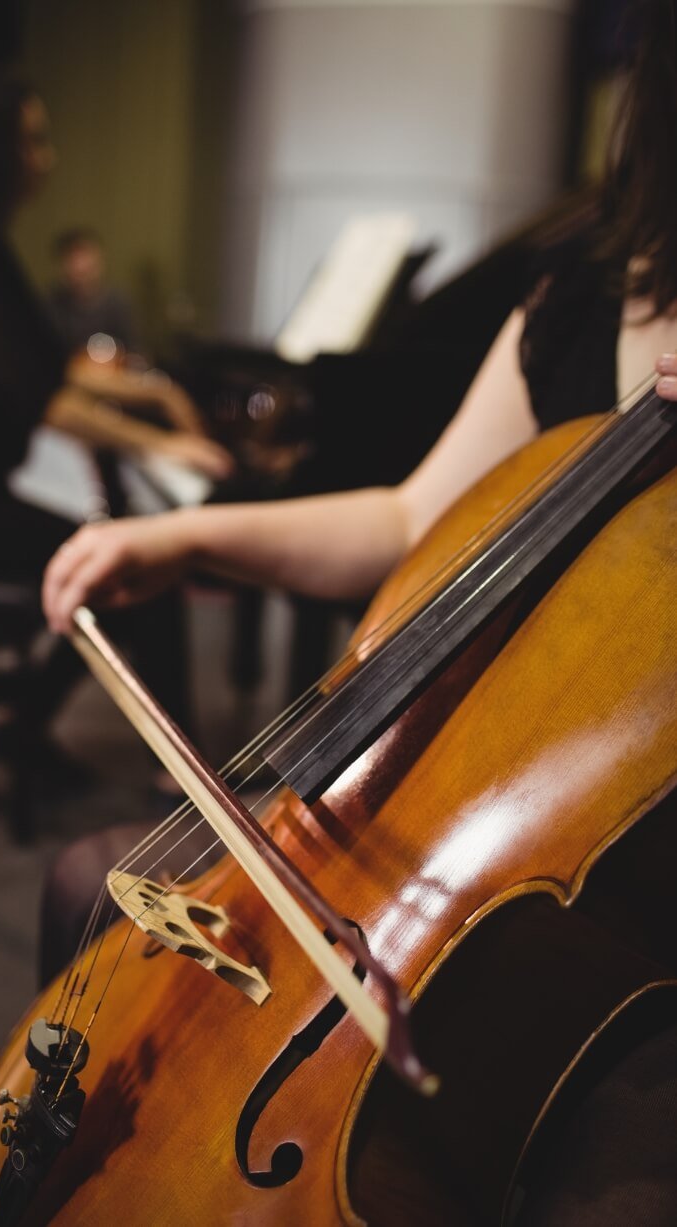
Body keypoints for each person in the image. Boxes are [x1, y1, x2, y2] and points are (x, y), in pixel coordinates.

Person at [38, 2, 677, 1221]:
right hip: (454, 826)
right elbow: (409, 520)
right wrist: (186, 540)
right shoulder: (578, 302)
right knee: (88, 887)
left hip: (633, 909)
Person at [0, 71, 232, 786]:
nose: (47, 157)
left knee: (125, 563)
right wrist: (164, 442)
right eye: (33, 140)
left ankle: (31, 726)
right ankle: (172, 769)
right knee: (131, 565)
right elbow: (44, 400)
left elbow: (54, 369)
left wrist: (157, 391)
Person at [47, 226, 139, 355]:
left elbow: (134, 350)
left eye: (85, 256)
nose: (80, 266)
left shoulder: (117, 303)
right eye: (72, 258)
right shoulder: (51, 305)